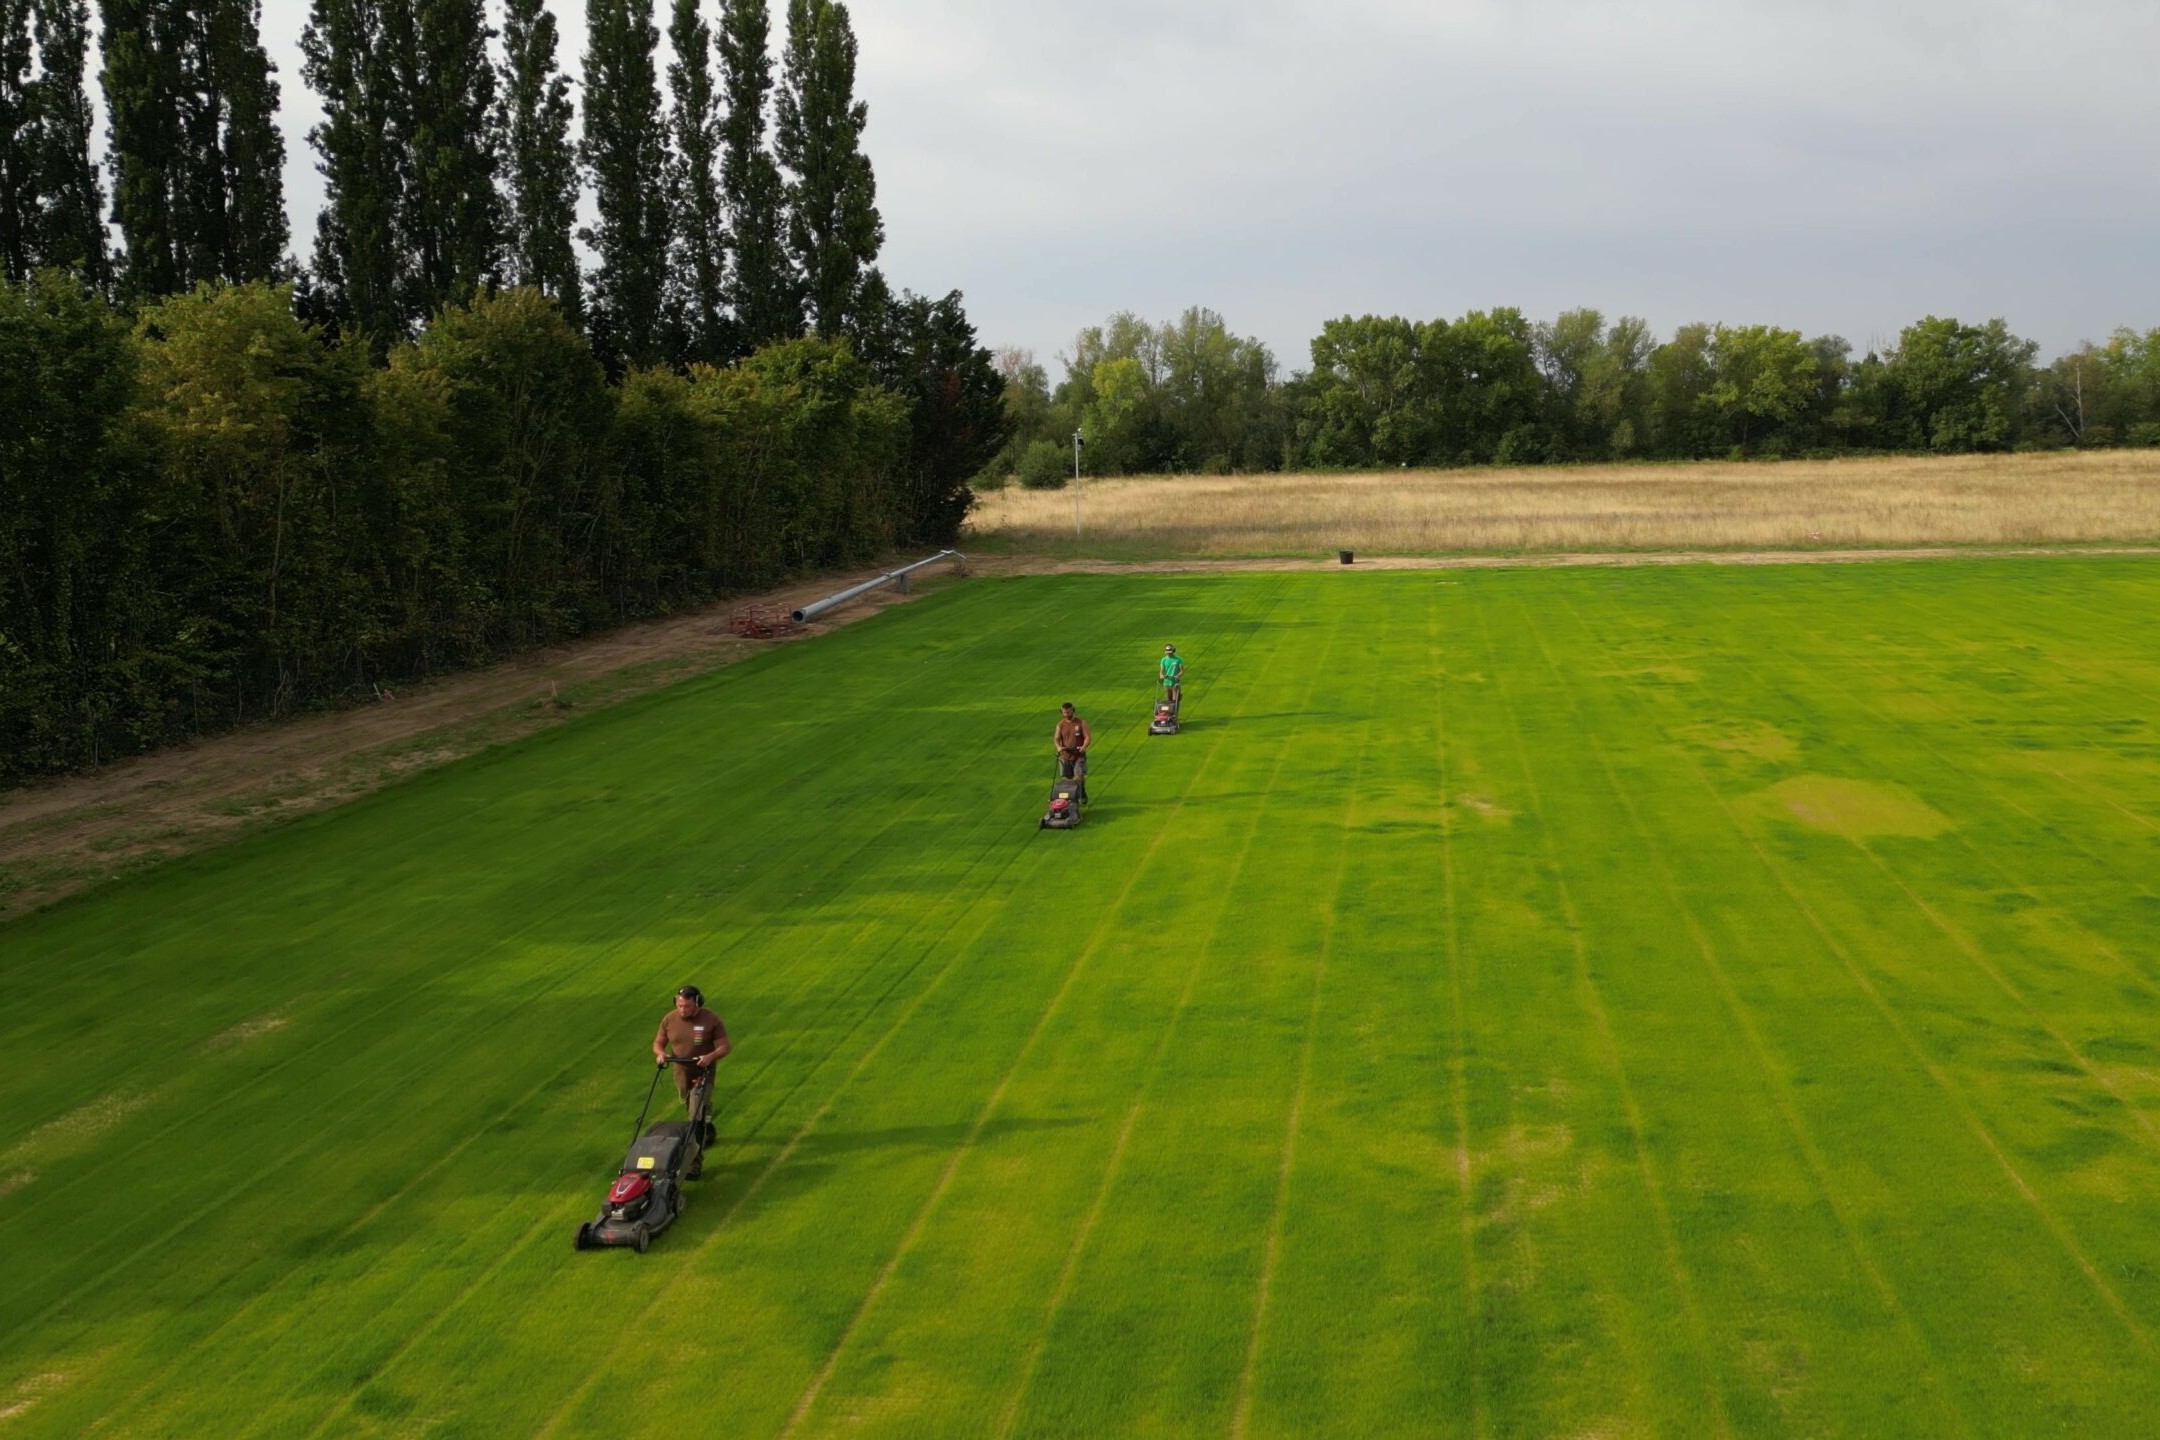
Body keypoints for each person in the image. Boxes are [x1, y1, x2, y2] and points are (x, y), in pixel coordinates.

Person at [653, 985, 729, 1139]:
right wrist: (661, 1054)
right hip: (680, 1069)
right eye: (679, 1005)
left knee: (695, 1109)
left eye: (687, 1006)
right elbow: (658, 1043)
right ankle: (702, 1115)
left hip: (703, 1069)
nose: (682, 1010)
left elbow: (725, 1047)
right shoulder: (669, 1020)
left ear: (697, 1003)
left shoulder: (711, 1019)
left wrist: (709, 1057)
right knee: (688, 1101)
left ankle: (696, 1141)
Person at [1054, 701, 1091, 803]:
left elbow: (1087, 737)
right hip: (1066, 756)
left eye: (1068, 712)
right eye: (1064, 713)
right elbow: (1056, 738)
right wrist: (1058, 747)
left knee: (1079, 777)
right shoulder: (1060, 725)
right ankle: (1070, 799)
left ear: (1073, 710)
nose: (1067, 714)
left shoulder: (1081, 723)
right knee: (1068, 779)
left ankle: (1081, 792)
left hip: (1079, 755)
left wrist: (1084, 746)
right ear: (1061, 713)